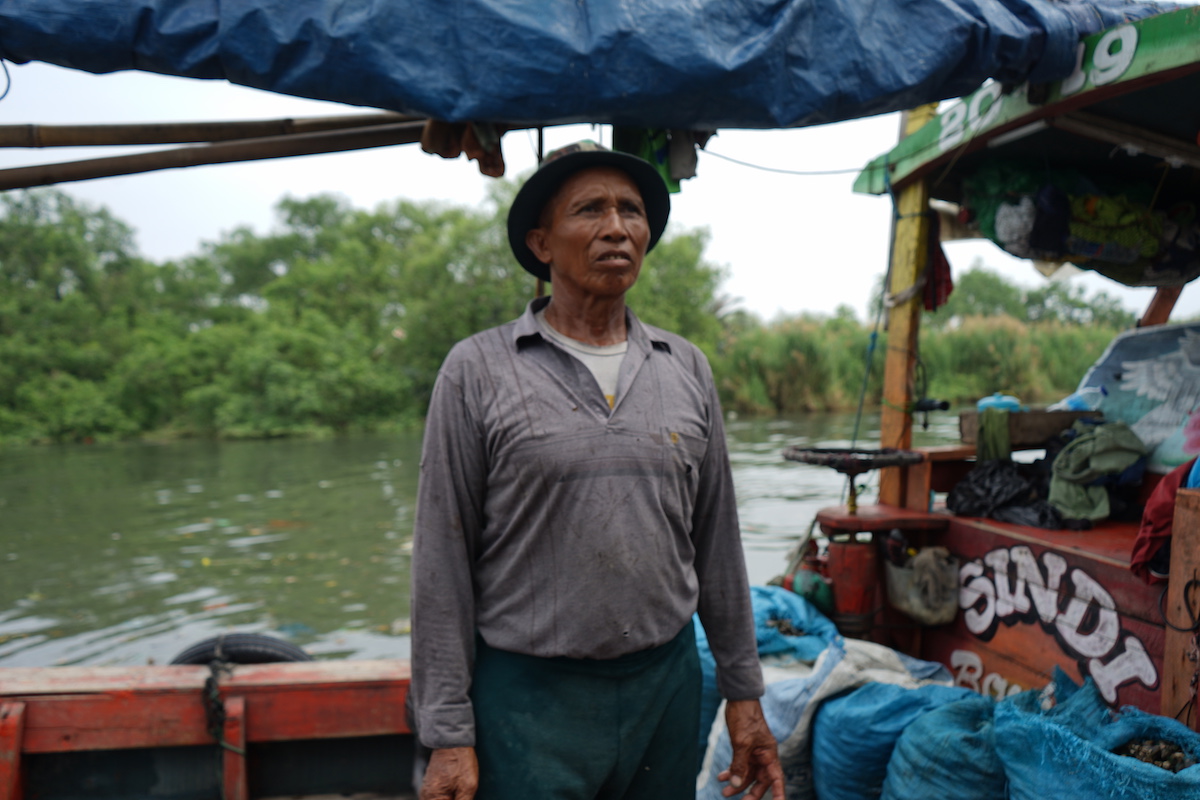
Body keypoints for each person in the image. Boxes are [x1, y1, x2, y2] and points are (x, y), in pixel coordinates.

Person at [411, 141, 783, 800]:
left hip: (665, 688)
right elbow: (441, 562)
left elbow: (719, 545)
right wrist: (446, 731)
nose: (618, 227)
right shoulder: (478, 369)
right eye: (590, 210)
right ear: (542, 243)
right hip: (528, 698)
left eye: (631, 211)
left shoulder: (685, 367)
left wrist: (744, 697)